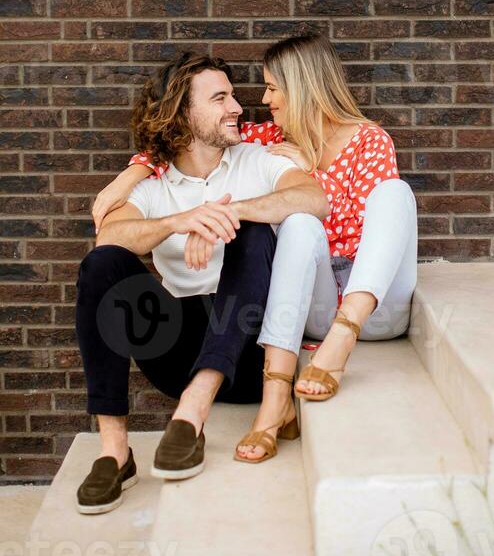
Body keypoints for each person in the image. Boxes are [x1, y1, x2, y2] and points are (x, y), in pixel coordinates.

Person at [94, 33, 418, 464]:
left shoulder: (369, 141)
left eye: (272, 87)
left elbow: (375, 225)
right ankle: (277, 395)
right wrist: (132, 175)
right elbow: (187, 137)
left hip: (377, 299)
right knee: (300, 223)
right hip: (317, 305)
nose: (262, 100)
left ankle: (344, 336)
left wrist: (227, 213)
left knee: (395, 193)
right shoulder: (266, 138)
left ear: (302, 87)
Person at [74, 51, 328, 513]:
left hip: (253, 348)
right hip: (178, 348)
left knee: (253, 231)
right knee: (102, 264)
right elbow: (109, 235)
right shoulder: (154, 187)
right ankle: (114, 453)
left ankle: (193, 412)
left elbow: (313, 199)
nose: (237, 107)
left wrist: (229, 213)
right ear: (184, 113)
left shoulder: (257, 160)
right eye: (221, 98)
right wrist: (181, 220)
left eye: (233, 96)